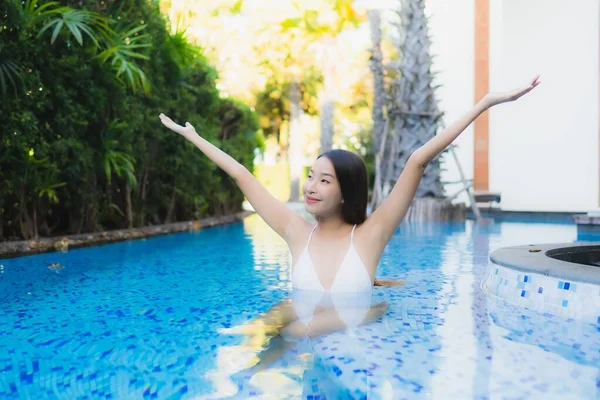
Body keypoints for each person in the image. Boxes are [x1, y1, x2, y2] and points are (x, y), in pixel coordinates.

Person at [159, 75, 541, 295]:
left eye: (324, 180)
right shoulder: (297, 232)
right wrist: (193, 137)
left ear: (346, 192)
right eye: (311, 176)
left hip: (358, 356)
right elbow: (242, 174)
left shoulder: (370, 236)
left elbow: (418, 160)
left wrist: (485, 103)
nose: (310, 186)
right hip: (306, 355)